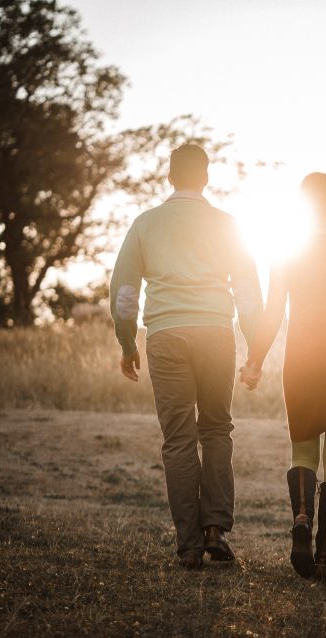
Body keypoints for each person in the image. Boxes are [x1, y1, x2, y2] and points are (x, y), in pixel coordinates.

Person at [110, 144, 263, 570]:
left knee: (179, 438)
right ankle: (216, 529)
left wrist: (127, 343)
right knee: (216, 429)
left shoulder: (146, 223)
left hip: (166, 336)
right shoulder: (226, 224)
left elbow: (124, 292)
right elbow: (248, 291)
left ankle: (190, 546)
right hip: (216, 334)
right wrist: (255, 346)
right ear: (206, 177)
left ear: (170, 177)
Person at [240, 172, 326, 582]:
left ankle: (301, 514)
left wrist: (255, 361)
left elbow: (272, 314)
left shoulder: (286, 253)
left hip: (301, 358)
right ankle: (323, 558)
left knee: (303, 454)